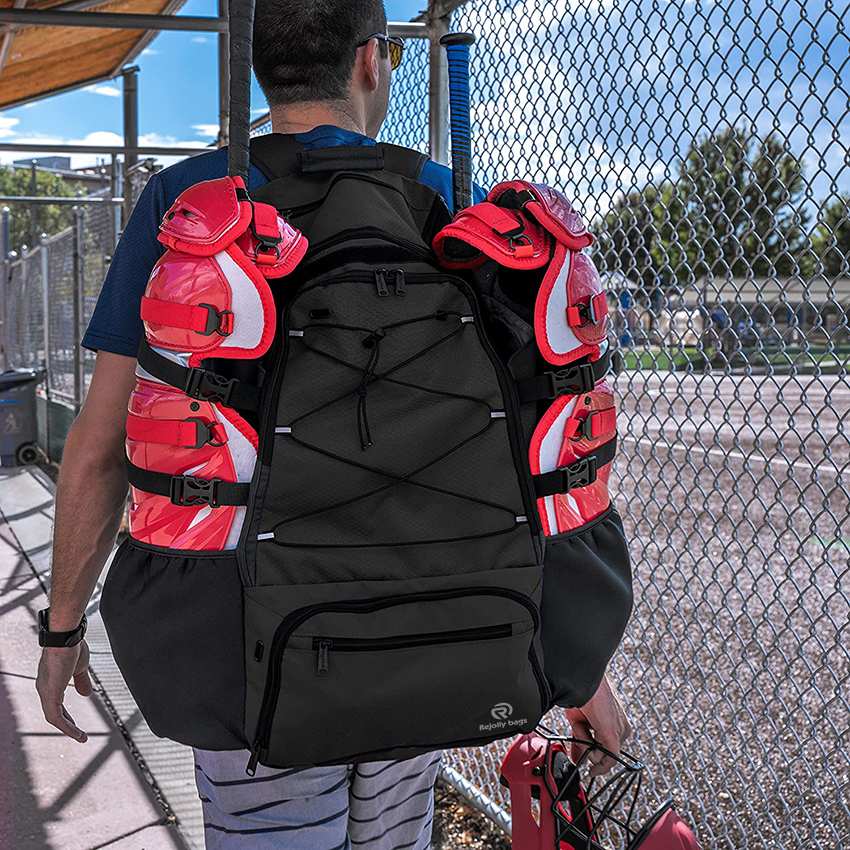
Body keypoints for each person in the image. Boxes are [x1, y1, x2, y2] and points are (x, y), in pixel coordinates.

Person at [35, 1, 633, 846]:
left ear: (261, 70)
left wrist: (61, 632)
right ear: (371, 61)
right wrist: (581, 672)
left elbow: (97, 449)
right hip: (440, 628)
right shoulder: (442, 199)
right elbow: (533, 452)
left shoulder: (191, 203)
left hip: (246, 648)